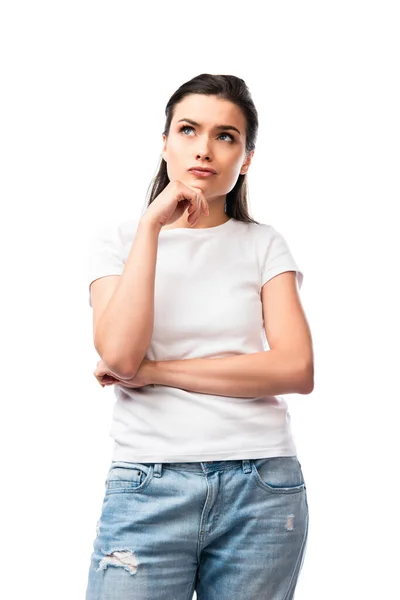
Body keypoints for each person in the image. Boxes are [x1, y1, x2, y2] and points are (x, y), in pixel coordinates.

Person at [85, 73, 313, 600]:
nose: (204, 150)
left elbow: (295, 370)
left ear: (247, 158)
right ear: (164, 142)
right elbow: (119, 353)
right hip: (148, 485)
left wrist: (157, 373)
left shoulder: (263, 245)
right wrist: (151, 227)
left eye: (226, 136)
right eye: (188, 130)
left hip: (262, 486)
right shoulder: (118, 241)